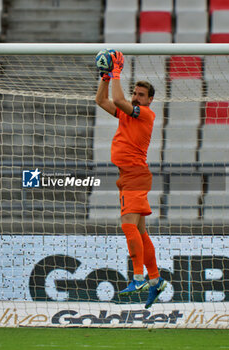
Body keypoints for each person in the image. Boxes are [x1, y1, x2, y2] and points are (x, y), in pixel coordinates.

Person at [95, 50, 166, 308]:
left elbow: (118, 98)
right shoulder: (128, 113)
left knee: (127, 225)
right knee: (140, 231)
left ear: (150, 100)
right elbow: (101, 101)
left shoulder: (145, 114)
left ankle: (138, 277)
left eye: (141, 95)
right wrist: (105, 77)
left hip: (135, 174)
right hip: (128, 176)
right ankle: (156, 280)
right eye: (135, 93)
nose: (136, 97)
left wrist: (116, 73)